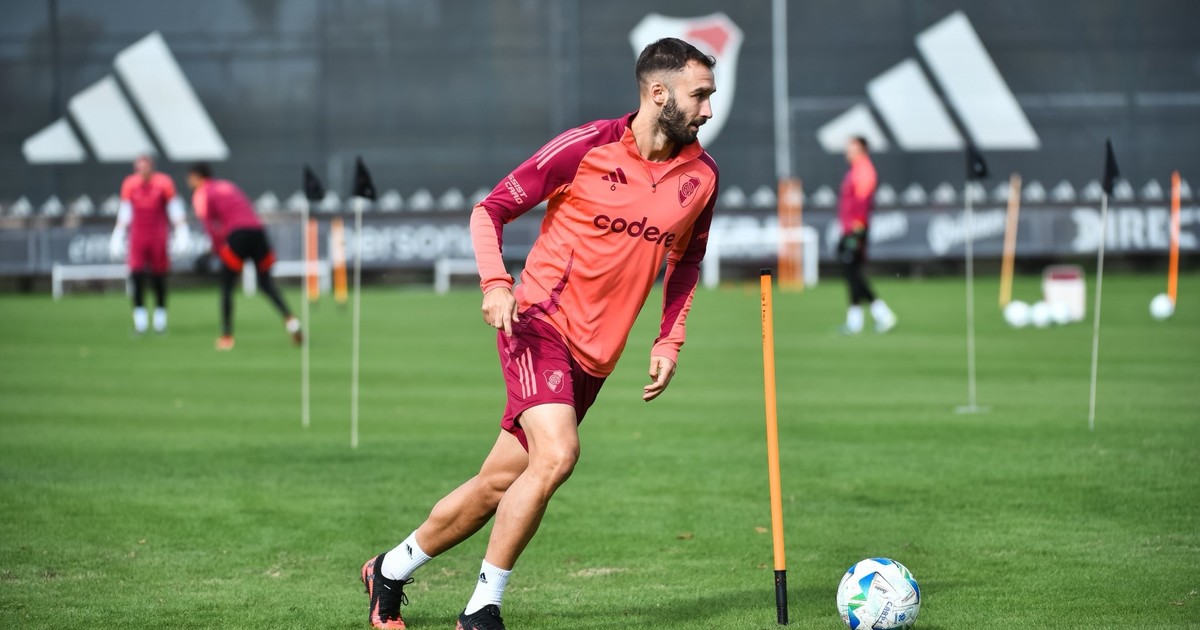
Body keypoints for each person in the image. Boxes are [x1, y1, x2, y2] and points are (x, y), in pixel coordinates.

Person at [359, 37, 720, 630]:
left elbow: (686, 263)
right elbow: (490, 209)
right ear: (659, 93)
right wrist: (495, 283)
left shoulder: (702, 176)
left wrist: (668, 340)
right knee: (557, 455)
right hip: (537, 324)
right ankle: (482, 610)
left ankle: (389, 570)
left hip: (595, 358)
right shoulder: (586, 147)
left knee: (497, 483)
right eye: (699, 95)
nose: (707, 109)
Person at [187, 163, 301, 350]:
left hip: (237, 235)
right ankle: (292, 322)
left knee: (227, 286)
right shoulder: (228, 186)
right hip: (258, 233)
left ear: (196, 177)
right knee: (265, 283)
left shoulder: (201, 193)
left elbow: (209, 225)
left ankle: (226, 337)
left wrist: (216, 249)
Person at [109, 155, 190, 334]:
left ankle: (160, 320)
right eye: (138, 167)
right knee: (136, 277)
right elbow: (125, 212)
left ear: (151, 167)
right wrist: (118, 234)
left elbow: (174, 209)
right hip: (138, 238)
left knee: (159, 278)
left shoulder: (164, 183)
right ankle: (140, 321)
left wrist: (182, 231)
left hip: (158, 237)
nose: (142, 171)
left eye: (144, 167)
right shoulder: (130, 184)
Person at [837, 136, 896, 334]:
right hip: (849, 228)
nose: (848, 153)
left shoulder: (863, 170)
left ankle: (878, 315)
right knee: (852, 272)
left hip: (856, 229)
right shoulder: (855, 170)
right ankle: (859, 319)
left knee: (853, 272)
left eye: (852, 149)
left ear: (862, 150)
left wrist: (857, 231)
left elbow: (862, 203)